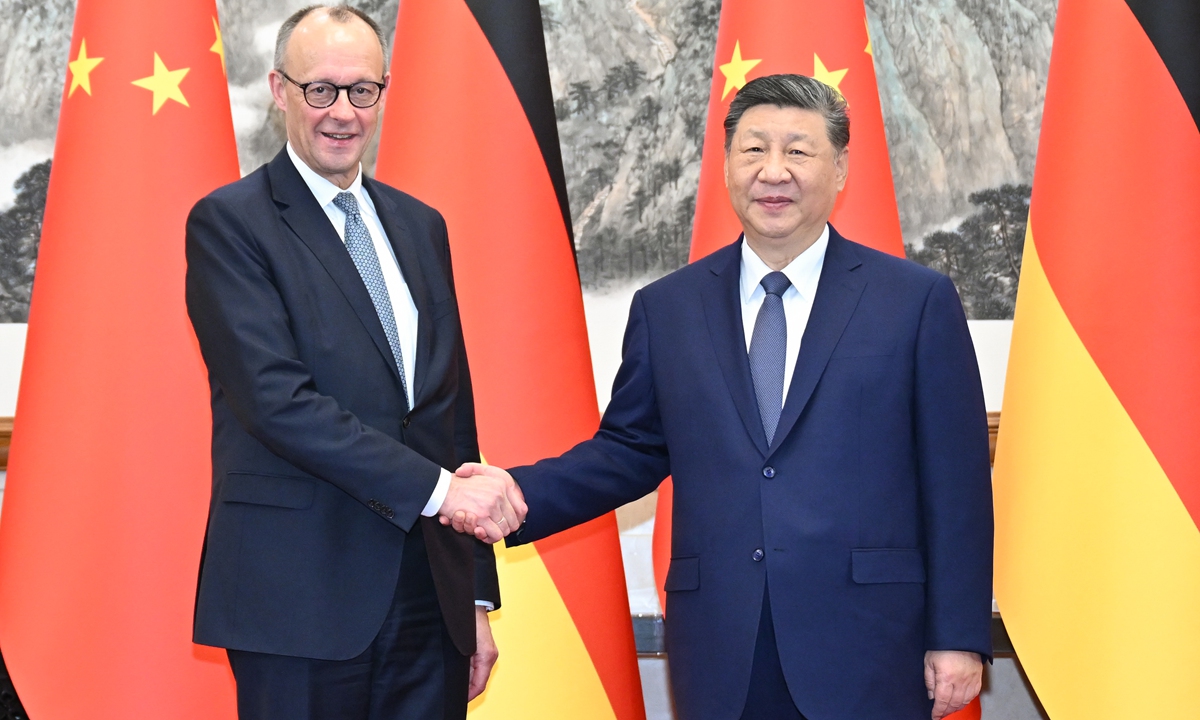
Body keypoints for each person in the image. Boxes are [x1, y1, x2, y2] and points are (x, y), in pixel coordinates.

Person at [454, 74, 993, 720]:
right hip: (722, 645)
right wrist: (511, 495)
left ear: (841, 167)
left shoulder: (915, 301)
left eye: (798, 151)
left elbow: (956, 483)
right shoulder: (669, 309)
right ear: (727, 164)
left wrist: (958, 635)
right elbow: (628, 451)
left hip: (869, 641)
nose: (774, 171)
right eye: (753, 149)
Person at [184, 6, 524, 719]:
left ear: (384, 92)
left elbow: (449, 416)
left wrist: (475, 596)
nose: (343, 112)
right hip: (299, 604)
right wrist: (440, 492)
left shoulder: (420, 225)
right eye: (321, 90)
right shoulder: (230, 224)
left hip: (430, 603)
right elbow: (277, 401)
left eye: (362, 90)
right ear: (280, 90)